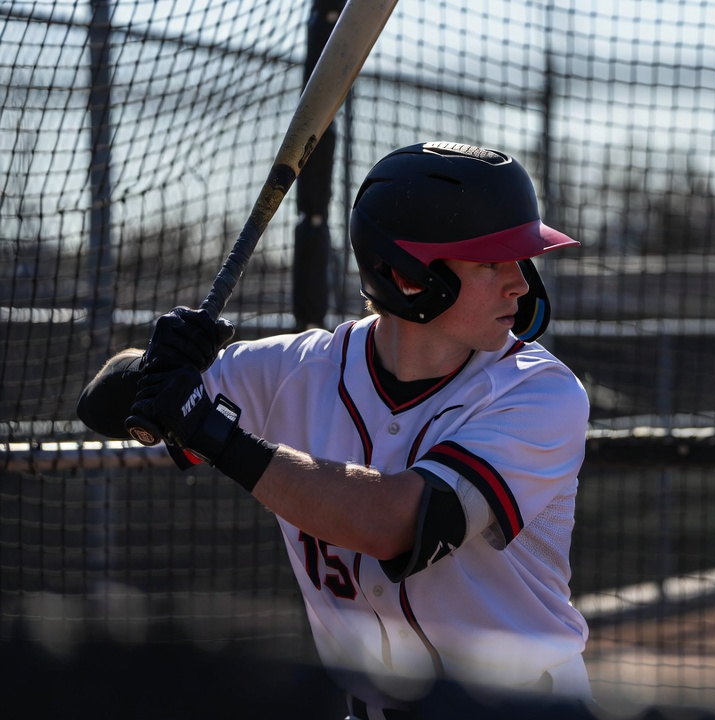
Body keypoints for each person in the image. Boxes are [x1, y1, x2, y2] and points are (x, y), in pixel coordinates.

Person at [77, 141, 593, 720]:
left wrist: (212, 431)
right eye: (491, 263)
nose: (520, 284)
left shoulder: (541, 393)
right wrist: (159, 365)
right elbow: (100, 404)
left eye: (521, 260)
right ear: (408, 275)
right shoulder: (298, 370)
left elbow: (396, 524)